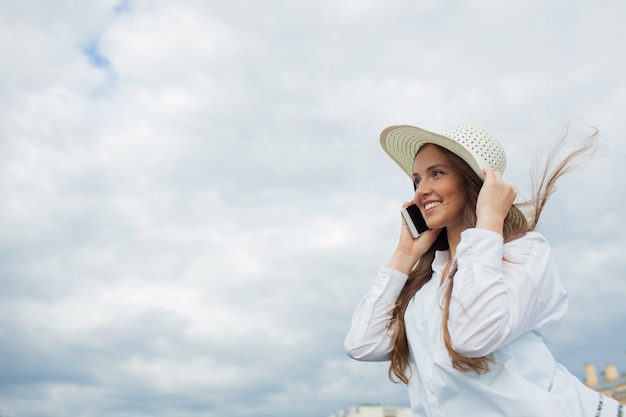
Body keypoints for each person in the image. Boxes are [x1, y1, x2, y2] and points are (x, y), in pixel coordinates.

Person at [344, 122, 623, 417]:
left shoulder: (523, 253)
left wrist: (488, 219)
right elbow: (362, 344)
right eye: (416, 180)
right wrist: (404, 253)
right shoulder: (426, 286)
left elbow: (471, 337)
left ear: (474, 180)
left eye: (436, 173)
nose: (421, 191)